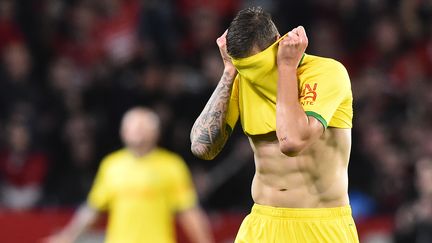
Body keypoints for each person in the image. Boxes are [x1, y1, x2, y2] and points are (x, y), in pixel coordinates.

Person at [190, 6, 359, 243]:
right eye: (244, 68)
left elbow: (292, 141)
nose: (252, 77)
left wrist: (287, 67)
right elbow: (201, 147)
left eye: (256, 67)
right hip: (262, 222)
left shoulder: (326, 73)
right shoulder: (242, 78)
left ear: (279, 44)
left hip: (320, 224)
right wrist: (229, 72)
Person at [45, 107, 214, 243]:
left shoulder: (171, 165)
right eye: (132, 126)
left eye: (142, 126)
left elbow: (189, 211)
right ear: (123, 132)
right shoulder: (111, 165)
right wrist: (67, 237)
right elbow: (92, 210)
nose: (136, 130)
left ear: (156, 133)